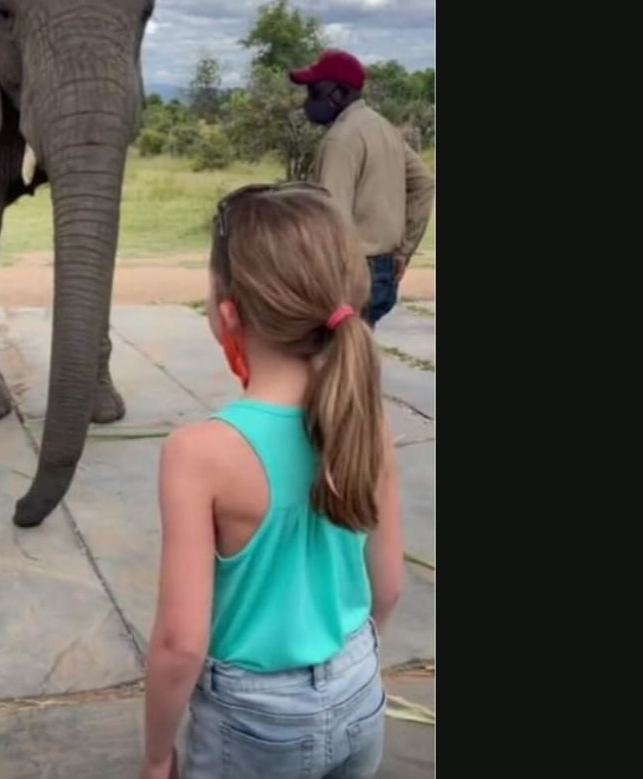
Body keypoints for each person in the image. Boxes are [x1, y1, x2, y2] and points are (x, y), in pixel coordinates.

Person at [139, 183, 407, 779]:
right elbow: (386, 588)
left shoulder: (199, 453)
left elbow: (181, 643)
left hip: (254, 719)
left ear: (228, 313)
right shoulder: (367, 419)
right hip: (359, 686)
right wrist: (342, 668)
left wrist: (158, 755)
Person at [289, 48, 436, 326]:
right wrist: (404, 250)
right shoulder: (382, 127)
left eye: (314, 91)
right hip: (383, 270)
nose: (308, 101)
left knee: (336, 363)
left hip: (350, 274)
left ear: (339, 94)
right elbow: (424, 183)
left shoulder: (339, 141)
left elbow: (331, 217)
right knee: (359, 354)